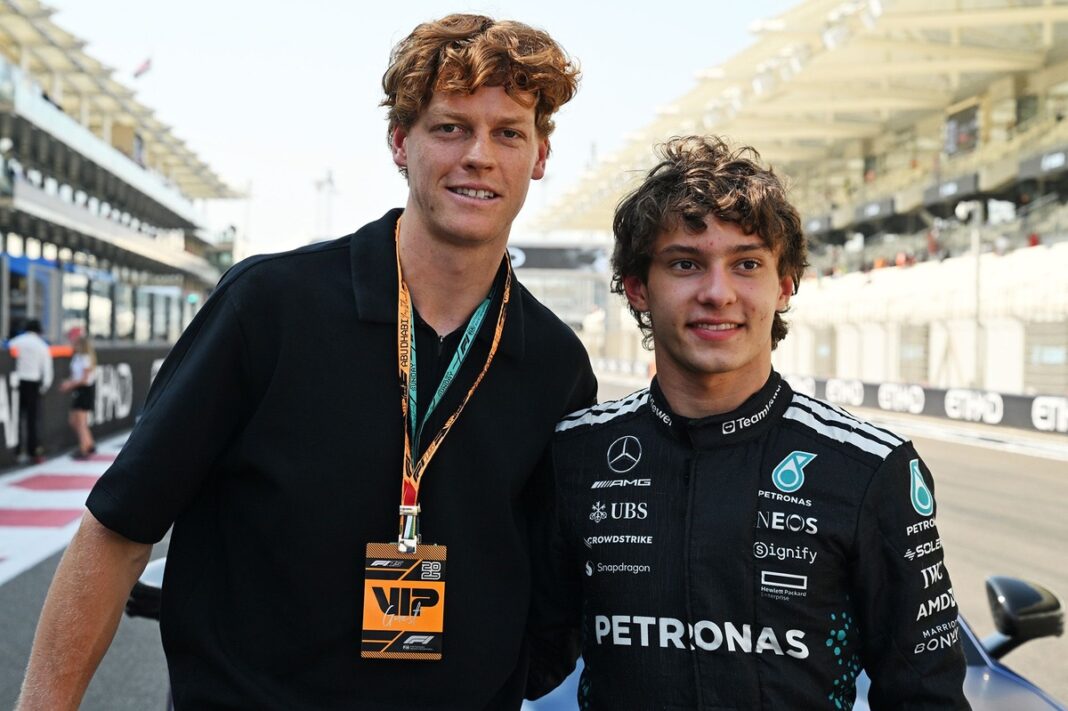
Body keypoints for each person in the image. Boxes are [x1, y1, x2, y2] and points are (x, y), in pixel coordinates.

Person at [18, 14, 594, 711]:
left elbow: (555, 590)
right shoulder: (268, 306)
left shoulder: (556, 365)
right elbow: (118, 531)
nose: (479, 155)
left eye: (508, 132)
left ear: (539, 155)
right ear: (400, 141)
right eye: (450, 127)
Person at [532, 136, 969, 709]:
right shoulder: (576, 455)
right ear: (638, 288)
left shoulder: (870, 467)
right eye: (685, 264)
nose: (718, 293)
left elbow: (927, 697)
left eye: (747, 264)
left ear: (784, 285)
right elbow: (526, 661)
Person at [9, 319, 53, 464]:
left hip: (16, 383)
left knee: (15, 418)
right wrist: (43, 387)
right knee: (32, 420)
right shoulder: (41, 345)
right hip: (33, 385)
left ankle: (15, 451)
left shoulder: (16, 341)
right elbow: (47, 369)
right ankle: (33, 451)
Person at [59, 329, 97, 459]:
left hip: (84, 390)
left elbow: (85, 379)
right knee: (75, 421)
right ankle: (89, 443)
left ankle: (84, 448)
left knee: (80, 422)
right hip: (80, 390)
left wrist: (70, 384)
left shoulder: (85, 358)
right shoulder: (78, 357)